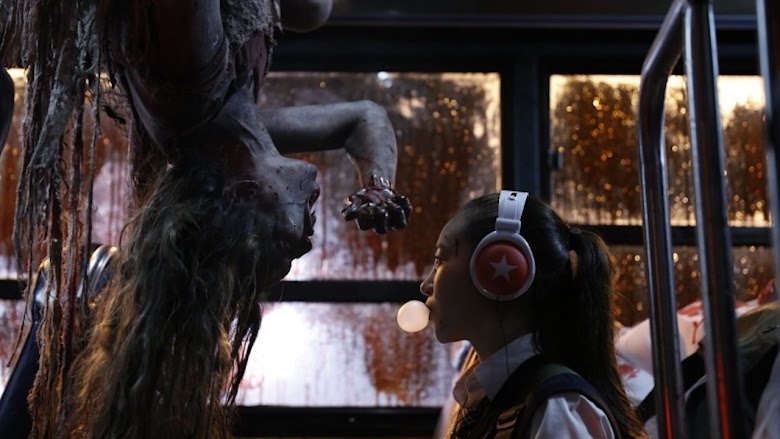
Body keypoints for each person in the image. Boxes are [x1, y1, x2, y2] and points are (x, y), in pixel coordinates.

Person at [2, 0, 411, 438]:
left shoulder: (191, 76)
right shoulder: (231, 134)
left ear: (246, 193)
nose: (309, 237)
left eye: (287, 241)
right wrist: (378, 186)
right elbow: (364, 119)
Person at [420, 190, 646, 438]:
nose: (426, 285)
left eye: (440, 260)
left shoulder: (555, 410)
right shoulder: (498, 397)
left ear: (498, 268)